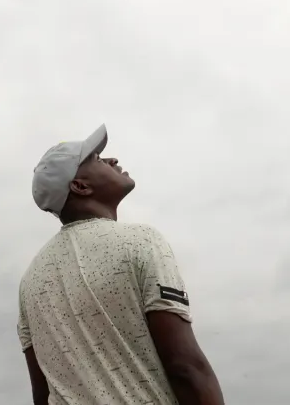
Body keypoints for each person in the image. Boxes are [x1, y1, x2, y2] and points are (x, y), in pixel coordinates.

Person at [17, 124, 225, 405]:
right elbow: (185, 368)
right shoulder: (140, 241)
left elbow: (42, 395)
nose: (111, 160)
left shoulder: (30, 281)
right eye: (96, 159)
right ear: (80, 186)